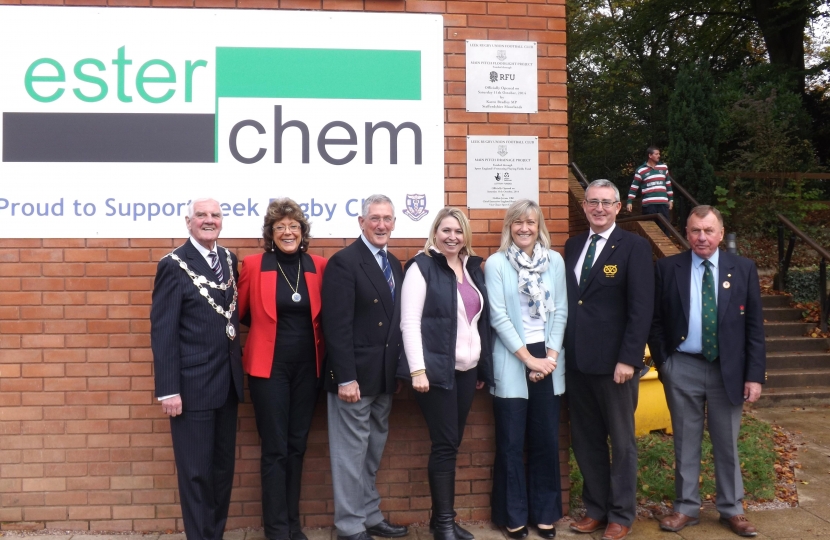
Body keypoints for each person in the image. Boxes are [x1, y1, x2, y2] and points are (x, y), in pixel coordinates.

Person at [648, 205, 765, 537]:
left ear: (721, 233)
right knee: (685, 440)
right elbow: (655, 322)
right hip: (681, 366)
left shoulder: (743, 269)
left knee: (726, 441)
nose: (702, 237)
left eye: (708, 230)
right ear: (686, 233)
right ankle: (686, 507)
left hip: (728, 369)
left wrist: (754, 375)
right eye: (695, 230)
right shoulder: (667, 268)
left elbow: (755, 327)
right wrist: (665, 363)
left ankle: (732, 509)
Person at [564, 180, 654, 540]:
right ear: (584, 207)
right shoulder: (572, 246)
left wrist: (629, 359)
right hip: (577, 363)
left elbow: (641, 308)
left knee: (622, 442)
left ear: (618, 207)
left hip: (616, 365)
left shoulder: (634, 246)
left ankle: (621, 514)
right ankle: (597, 509)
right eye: (592, 202)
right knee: (586, 441)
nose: (599, 208)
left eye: (606, 203)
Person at [151, 197, 244, 540]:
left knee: (221, 472)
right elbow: (163, 332)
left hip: (228, 384)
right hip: (192, 389)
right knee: (195, 474)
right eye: (201, 215)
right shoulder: (174, 265)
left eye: (215, 215)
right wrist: (169, 389)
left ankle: (214, 535)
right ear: (187, 222)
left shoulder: (228, 259)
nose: (209, 220)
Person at [400, 207, 495, 540]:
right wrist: (418, 369)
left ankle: (442, 519)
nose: (452, 237)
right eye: (446, 230)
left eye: (458, 231)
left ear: (465, 235)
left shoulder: (470, 269)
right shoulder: (421, 267)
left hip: (467, 372)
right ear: (434, 233)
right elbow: (409, 322)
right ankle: (443, 523)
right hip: (435, 372)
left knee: (452, 444)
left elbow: (476, 322)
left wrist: (480, 366)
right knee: (444, 445)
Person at [238, 198, 328, 540]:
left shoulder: (318, 265)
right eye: (280, 227)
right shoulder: (254, 264)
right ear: (270, 233)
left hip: (309, 367)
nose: (287, 232)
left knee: (297, 445)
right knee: (275, 449)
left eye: (293, 227)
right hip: (268, 369)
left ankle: (293, 524)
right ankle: (276, 529)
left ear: (303, 232)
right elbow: (243, 312)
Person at [322, 194, 408, 540]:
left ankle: (370, 515)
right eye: (375, 218)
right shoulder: (344, 262)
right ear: (361, 222)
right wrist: (346, 377)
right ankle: (349, 525)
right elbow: (336, 325)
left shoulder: (396, 264)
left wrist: (397, 372)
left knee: (371, 452)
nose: (382, 225)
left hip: (383, 378)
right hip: (353, 379)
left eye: (387, 219)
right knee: (350, 456)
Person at [485, 199, 568, 540]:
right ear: (509, 226)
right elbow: (499, 317)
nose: (524, 228)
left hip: (548, 357)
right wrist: (529, 361)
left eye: (530, 223)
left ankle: (545, 513)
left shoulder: (555, 262)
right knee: (510, 442)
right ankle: (513, 514)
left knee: (546, 439)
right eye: (518, 222)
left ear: (539, 226)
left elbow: (560, 310)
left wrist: (548, 357)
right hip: (512, 357)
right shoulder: (496, 264)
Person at [626, 147, 674, 234]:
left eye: (659, 154)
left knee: (665, 228)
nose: (659, 156)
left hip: (663, 203)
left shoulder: (663, 168)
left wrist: (671, 200)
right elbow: (634, 187)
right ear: (650, 155)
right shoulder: (641, 170)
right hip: (649, 204)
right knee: (650, 229)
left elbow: (668, 185)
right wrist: (630, 201)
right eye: (656, 154)